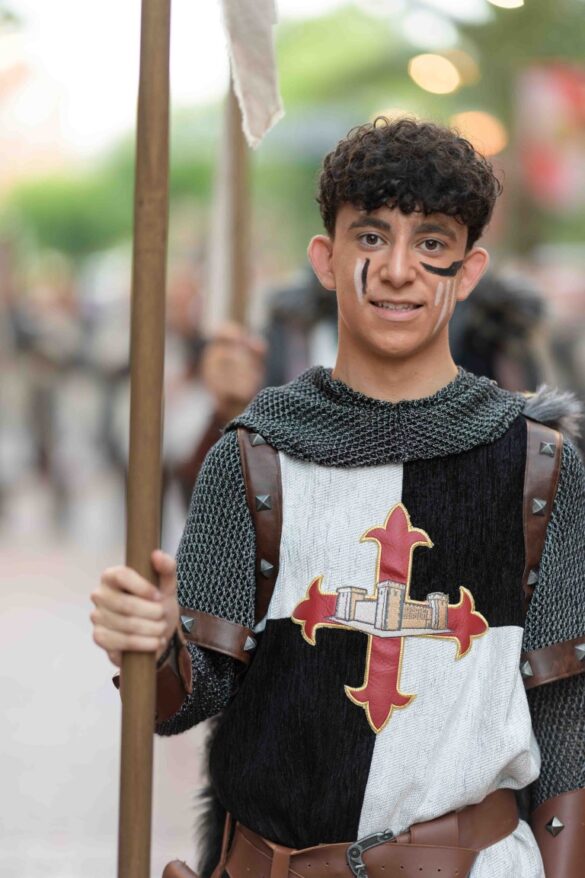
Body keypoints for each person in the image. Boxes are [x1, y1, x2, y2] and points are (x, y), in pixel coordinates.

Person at [91, 118, 584, 878]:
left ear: (469, 271)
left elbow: (566, 713)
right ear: (326, 258)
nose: (398, 270)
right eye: (371, 237)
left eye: (431, 242)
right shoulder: (255, 455)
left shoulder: (538, 467)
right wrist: (157, 644)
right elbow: (182, 701)